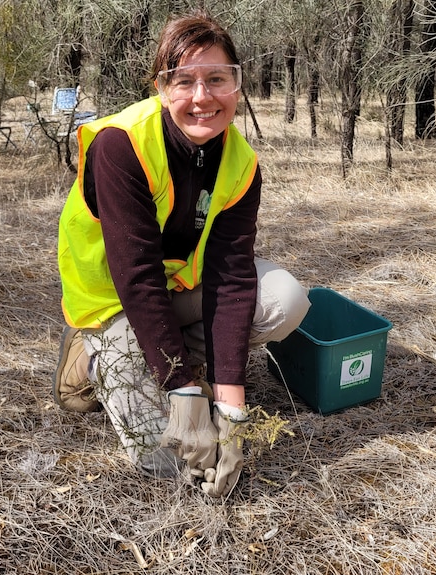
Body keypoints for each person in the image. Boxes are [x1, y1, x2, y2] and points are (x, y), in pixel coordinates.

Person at [54, 11, 310, 497]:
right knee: (163, 458)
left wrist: (232, 412)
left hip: (179, 290)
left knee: (285, 298)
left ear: (237, 85)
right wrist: (184, 393)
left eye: (217, 79)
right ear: (160, 87)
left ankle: (182, 368)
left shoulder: (242, 164)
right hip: (113, 300)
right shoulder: (121, 145)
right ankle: (87, 360)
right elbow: (138, 278)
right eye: (184, 81)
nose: (201, 97)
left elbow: (232, 278)